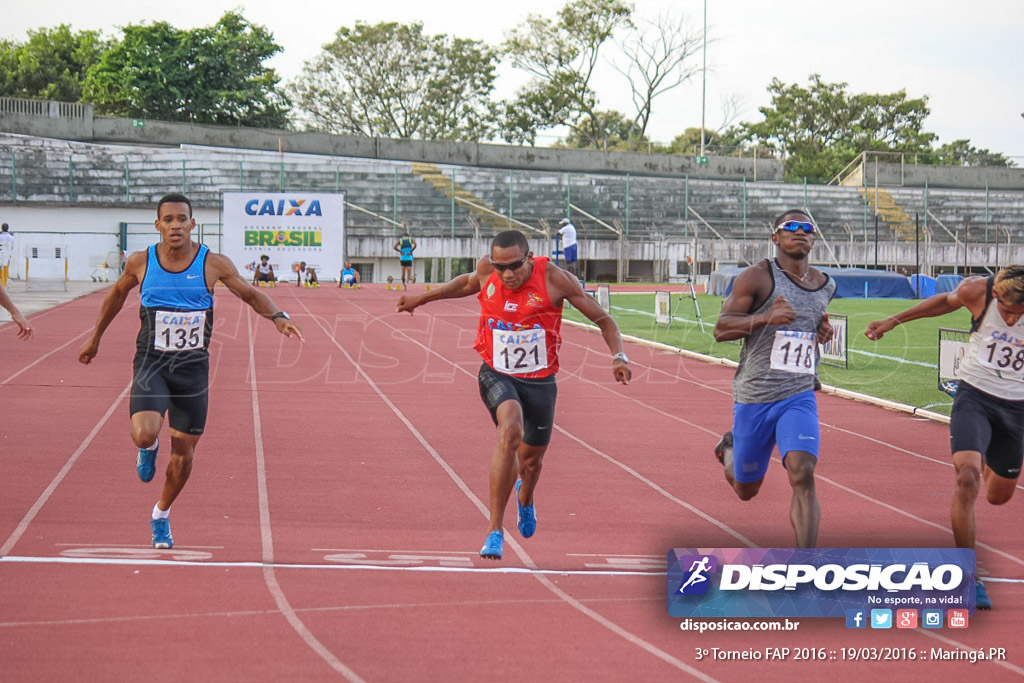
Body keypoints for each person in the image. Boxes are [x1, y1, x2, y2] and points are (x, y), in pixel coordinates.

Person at [78, 192, 303, 549]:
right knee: (143, 433)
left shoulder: (212, 263)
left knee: (183, 459)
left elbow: (248, 293)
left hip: (192, 370)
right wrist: (95, 339)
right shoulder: (140, 261)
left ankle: (160, 515)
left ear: (192, 224)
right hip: (152, 362)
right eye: (168, 220)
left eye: (182, 219)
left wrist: (278, 317)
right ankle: (148, 447)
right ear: (158, 226)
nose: (175, 226)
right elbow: (115, 297)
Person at [396, 229, 631, 560]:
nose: (507, 274)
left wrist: (618, 356)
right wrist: (420, 299)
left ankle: (526, 497)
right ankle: (494, 529)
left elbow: (604, 319)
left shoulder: (555, 279)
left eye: (514, 267)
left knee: (531, 463)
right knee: (510, 431)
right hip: (496, 372)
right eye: (499, 267)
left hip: (540, 381)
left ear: (529, 258)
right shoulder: (487, 272)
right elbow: (464, 284)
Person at [864, 266, 1024, 610]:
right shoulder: (976, 291)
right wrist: (895, 320)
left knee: (998, 497)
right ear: (996, 296)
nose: (1011, 319)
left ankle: (991, 454)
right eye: (1007, 311)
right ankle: (969, 576)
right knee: (967, 478)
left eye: (1019, 314)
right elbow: (944, 302)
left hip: (1017, 409)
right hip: (975, 396)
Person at [712, 210, 835, 549]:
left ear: (813, 238)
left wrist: (821, 331)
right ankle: (730, 448)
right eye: (790, 227)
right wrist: (766, 317)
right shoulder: (758, 277)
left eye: (807, 228)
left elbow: (812, 323)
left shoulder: (826, 284)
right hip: (756, 394)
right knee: (745, 489)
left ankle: (806, 563)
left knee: (802, 472)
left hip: (798, 394)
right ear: (775, 238)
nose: (800, 232)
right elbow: (721, 329)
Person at [0, 223, 14, 288]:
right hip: (7, 255)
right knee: (6, 265)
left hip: (0, 255)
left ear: (2, 228)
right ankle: (5, 282)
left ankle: (1, 280)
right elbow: (12, 247)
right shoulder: (11, 238)